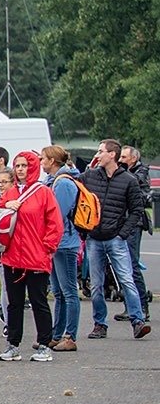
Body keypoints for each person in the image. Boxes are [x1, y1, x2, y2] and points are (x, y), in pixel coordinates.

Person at [80, 139, 151, 340]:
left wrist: (123, 233)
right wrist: (84, 229)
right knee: (96, 284)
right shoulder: (90, 176)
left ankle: (137, 320)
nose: (98, 154)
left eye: (101, 151)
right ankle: (99, 324)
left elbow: (137, 210)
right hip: (94, 238)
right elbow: (76, 191)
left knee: (127, 280)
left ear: (112, 154)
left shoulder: (128, 180)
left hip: (115, 238)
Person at [0, 150, 64, 362]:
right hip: (13, 257)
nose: (20, 170)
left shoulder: (43, 192)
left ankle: (44, 344)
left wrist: (47, 248)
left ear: (33, 167)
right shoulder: (10, 193)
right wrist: (5, 206)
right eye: (17, 166)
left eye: (25, 165)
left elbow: (55, 223)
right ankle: (13, 345)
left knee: (39, 301)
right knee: (14, 303)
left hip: (36, 257)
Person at [41, 145, 84, 352]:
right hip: (58, 243)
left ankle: (70, 335)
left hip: (65, 243)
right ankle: (56, 334)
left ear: (52, 160)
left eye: (43, 159)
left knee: (69, 292)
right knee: (58, 292)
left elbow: (57, 213)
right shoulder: (53, 181)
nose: (41, 162)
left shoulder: (63, 182)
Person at [116, 143, 151, 319]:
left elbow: (138, 193)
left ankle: (142, 306)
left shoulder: (140, 173)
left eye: (123, 157)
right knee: (122, 266)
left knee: (132, 265)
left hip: (133, 223)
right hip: (120, 222)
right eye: (119, 157)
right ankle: (129, 306)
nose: (120, 161)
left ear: (133, 159)